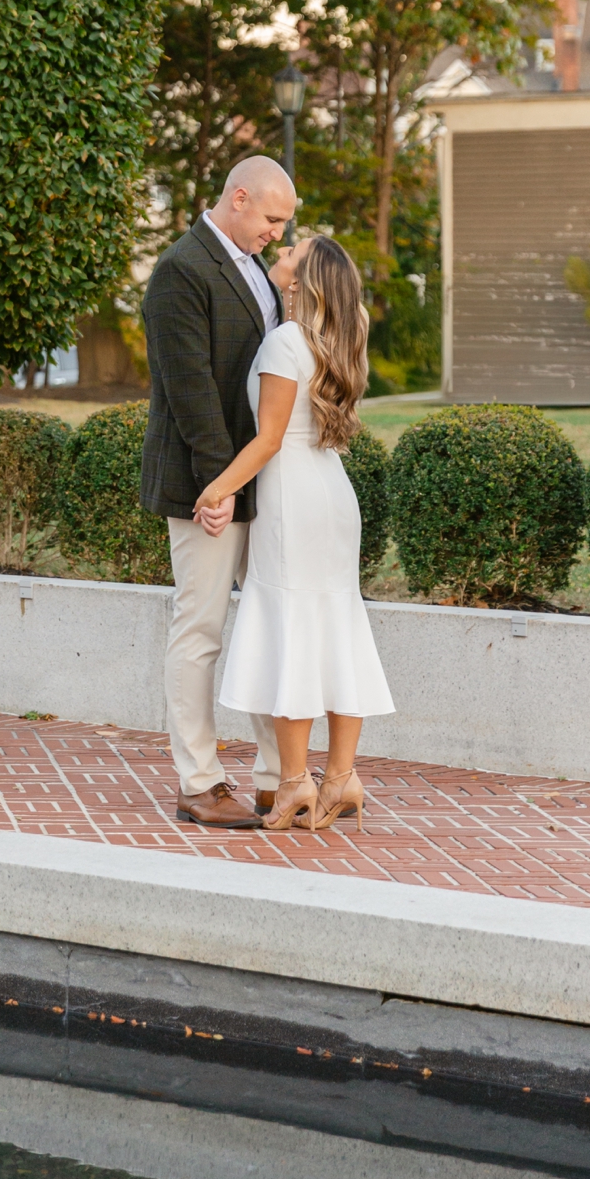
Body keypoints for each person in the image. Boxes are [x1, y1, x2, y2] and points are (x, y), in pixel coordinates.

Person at [205, 234, 395, 831]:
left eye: (294, 248)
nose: (283, 248)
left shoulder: (287, 341)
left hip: (291, 499)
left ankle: (294, 785)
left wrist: (217, 488)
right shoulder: (344, 337)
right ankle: (341, 777)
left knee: (290, 631)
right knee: (336, 628)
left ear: (302, 280)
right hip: (333, 493)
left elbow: (267, 438)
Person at [140, 155, 296, 829]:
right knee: (199, 628)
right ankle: (198, 780)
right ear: (238, 199)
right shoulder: (181, 270)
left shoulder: (252, 268)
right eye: (271, 219)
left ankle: (274, 776)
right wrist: (219, 486)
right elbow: (192, 390)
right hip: (207, 484)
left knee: (263, 624)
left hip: (254, 480)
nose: (278, 234)